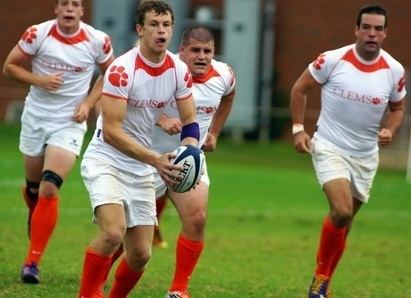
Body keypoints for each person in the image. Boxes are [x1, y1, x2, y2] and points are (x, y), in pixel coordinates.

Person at [102, 25, 236, 298]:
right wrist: (161, 118)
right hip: (147, 160)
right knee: (129, 232)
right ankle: (100, 275)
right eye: (195, 51)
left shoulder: (224, 74)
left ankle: (179, 289)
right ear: (182, 50)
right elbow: (133, 105)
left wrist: (214, 132)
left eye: (207, 51)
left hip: (188, 159)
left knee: (197, 219)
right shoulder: (165, 71)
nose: (202, 57)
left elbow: (229, 95)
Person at [77, 1, 199, 298]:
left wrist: (188, 152)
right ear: (140, 29)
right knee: (112, 233)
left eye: (166, 25)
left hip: (141, 165)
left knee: (141, 254)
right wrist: (155, 159)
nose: (161, 31)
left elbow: (190, 122)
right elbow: (112, 132)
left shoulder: (178, 70)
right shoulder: (121, 69)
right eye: (154, 24)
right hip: (106, 159)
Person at [290, 4, 406, 298]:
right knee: (340, 211)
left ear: (385, 33)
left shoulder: (394, 70)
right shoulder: (332, 59)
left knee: (346, 223)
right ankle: (318, 281)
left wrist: (390, 130)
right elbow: (300, 89)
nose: (371, 34)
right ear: (356, 29)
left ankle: (325, 282)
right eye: (366, 27)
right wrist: (298, 128)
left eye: (378, 29)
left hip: (366, 155)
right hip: (330, 145)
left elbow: (398, 108)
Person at [2, 0, 115, 284]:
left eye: (74, 3)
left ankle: (32, 262)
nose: (69, 8)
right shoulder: (37, 33)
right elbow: (10, 67)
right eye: (64, 3)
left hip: (69, 122)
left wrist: (89, 103)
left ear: (81, 11)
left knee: (50, 187)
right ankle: (34, 210)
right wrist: (39, 80)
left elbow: (110, 74)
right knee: (34, 188)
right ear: (56, 9)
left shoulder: (97, 40)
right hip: (36, 118)